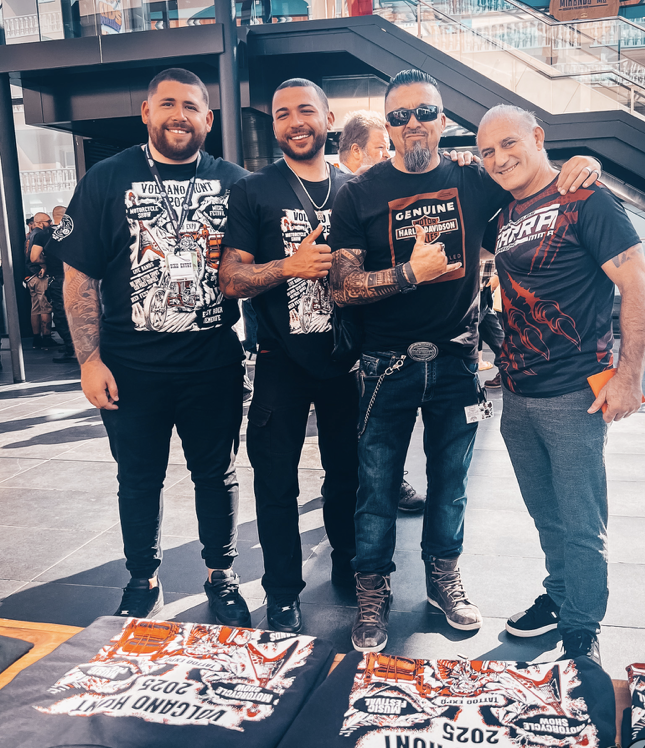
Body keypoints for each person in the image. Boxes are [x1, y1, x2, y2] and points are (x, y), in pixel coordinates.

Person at [329, 68, 601, 653]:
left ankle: (442, 579)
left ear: (442, 118)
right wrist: (409, 273)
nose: (412, 125)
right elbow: (341, 286)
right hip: (384, 363)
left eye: (423, 112)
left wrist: (582, 166)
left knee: (450, 485)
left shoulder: (474, 181)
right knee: (375, 486)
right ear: (389, 126)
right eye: (398, 116)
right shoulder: (358, 193)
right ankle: (373, 589)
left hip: (455, 360)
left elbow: (536, 177)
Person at [49, 68, 250, 625]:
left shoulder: (235, 182)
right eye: (167, 104)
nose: (178, 115)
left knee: (217, 474)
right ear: (146, 112)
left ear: (208, 119)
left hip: (212, 361)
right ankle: (143, 578)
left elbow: (257, 273)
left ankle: (222, 573)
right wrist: (88, 361)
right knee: (138, 477)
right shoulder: (106, 179)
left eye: (191, 106)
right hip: (130, 366)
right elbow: (79, 277)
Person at [477, 104, 645, 665]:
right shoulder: (502, 216)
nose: (499, 159)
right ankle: (560, 597)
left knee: (581, 520)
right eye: (487, 152)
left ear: (537, 136)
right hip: (518, 394)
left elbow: (639, 284)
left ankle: (582, 625)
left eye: (509, 144)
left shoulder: (585, 197)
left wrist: (629, 376)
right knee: (546, 513)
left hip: (576, 393)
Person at [220, 78, 362, 635]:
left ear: (330, 120)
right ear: (274, 126)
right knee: (275, 481)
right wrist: (287, 267)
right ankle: (281, 591)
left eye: (306, 110)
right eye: (282, 114)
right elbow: (231, 277)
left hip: (347, 357)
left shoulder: (358, 188)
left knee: (348, 475)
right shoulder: (254, 191)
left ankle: (350, 566)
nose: (295, 121)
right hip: (279, 357)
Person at [339, 109, 426, 515]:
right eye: (380, 148)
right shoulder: (351, 191)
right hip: (338, 333)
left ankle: (379, 482)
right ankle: (375, 485)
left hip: (369, 329)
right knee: (366, 426)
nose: (388, 154)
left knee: (369, 422)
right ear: (355, 151)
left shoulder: (373, 189)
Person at [29, 206, 77, 363]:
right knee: (80, 312)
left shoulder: (44, 234)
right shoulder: (74, 231)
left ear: (52, 218)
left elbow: (34, 257)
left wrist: (46, 262)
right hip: (77, 278)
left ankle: (71, 349)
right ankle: (81, 348)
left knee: (61, 314)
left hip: (57, 278)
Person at [25, 211, 54, 350]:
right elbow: (35, 257)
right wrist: (45, 264)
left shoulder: (30, 236)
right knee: (46, 308)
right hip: (39, 275)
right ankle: (47, 339)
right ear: (39, 223)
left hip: (30, 276)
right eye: (48, 221)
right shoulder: (40, 234)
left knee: (35, 308)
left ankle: (37, 340)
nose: (51, 224)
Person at [478, 256, 505, 387]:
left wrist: (497, 275)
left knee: (461, 336)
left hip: (481, 287)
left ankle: (509, 371)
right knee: (494, 334)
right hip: (477, 288)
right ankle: (508, 371)